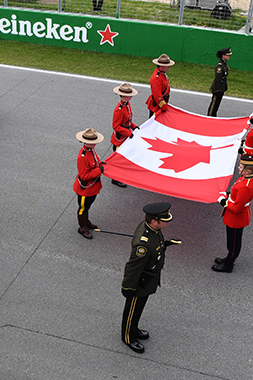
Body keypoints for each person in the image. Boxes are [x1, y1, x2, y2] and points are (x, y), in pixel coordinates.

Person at [121, 202, 180, 354]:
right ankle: (127, 336)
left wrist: (165, 244)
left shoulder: (152, 228)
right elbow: (133, 268)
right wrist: (128, 287)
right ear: (154, 221)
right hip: (139, 282)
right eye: (164, 220)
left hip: (148, 279)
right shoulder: (143, 245)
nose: (167, 222)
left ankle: (134, 328)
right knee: (132, 309)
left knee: (139, 307)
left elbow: (156, 243)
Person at [213, 155, 253, 273]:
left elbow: (237, 208)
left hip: (236, 218)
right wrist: (228, 194)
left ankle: (229, 265)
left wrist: (224, 202)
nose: (238, 168)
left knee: (233, 244)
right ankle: (229, 258)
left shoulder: (246, 187)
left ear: (247, 170)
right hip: (233, 217)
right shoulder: (247, 178)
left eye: (241, 167)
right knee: (231, 241)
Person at [73, 128, 105, 239]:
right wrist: (99, 171)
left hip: (92, 187)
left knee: (88, 205)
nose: (95, 143)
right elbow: (84, 176)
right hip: (85, 189)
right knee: (83, 208)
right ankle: (82, 227)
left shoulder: (91, 151)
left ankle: (86, 221)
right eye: (93, 142)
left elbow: (96, 161)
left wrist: (101, 164)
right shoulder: (82, 157)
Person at [110, 83, 138, 188]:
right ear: (123, 96)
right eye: (129, 95)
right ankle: (115, 179)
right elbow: (116, 126)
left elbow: (128, 120)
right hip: (119, 139)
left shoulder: (127, 105)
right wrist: (128, 132)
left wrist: (134, 126)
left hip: (125, 136)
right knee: (118, 160)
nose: (131, 96)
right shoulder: (119, 109)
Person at [208, 47, 231, 117]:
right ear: (223, 55)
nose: (229, 56)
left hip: (221, 88)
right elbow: (218, 79)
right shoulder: (220, 66)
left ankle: (213, 116)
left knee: (217, 105)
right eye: (227, 55)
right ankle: (210, 116)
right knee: (214, 105)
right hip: (217, 88)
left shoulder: (224, 64)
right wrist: (218, 90)